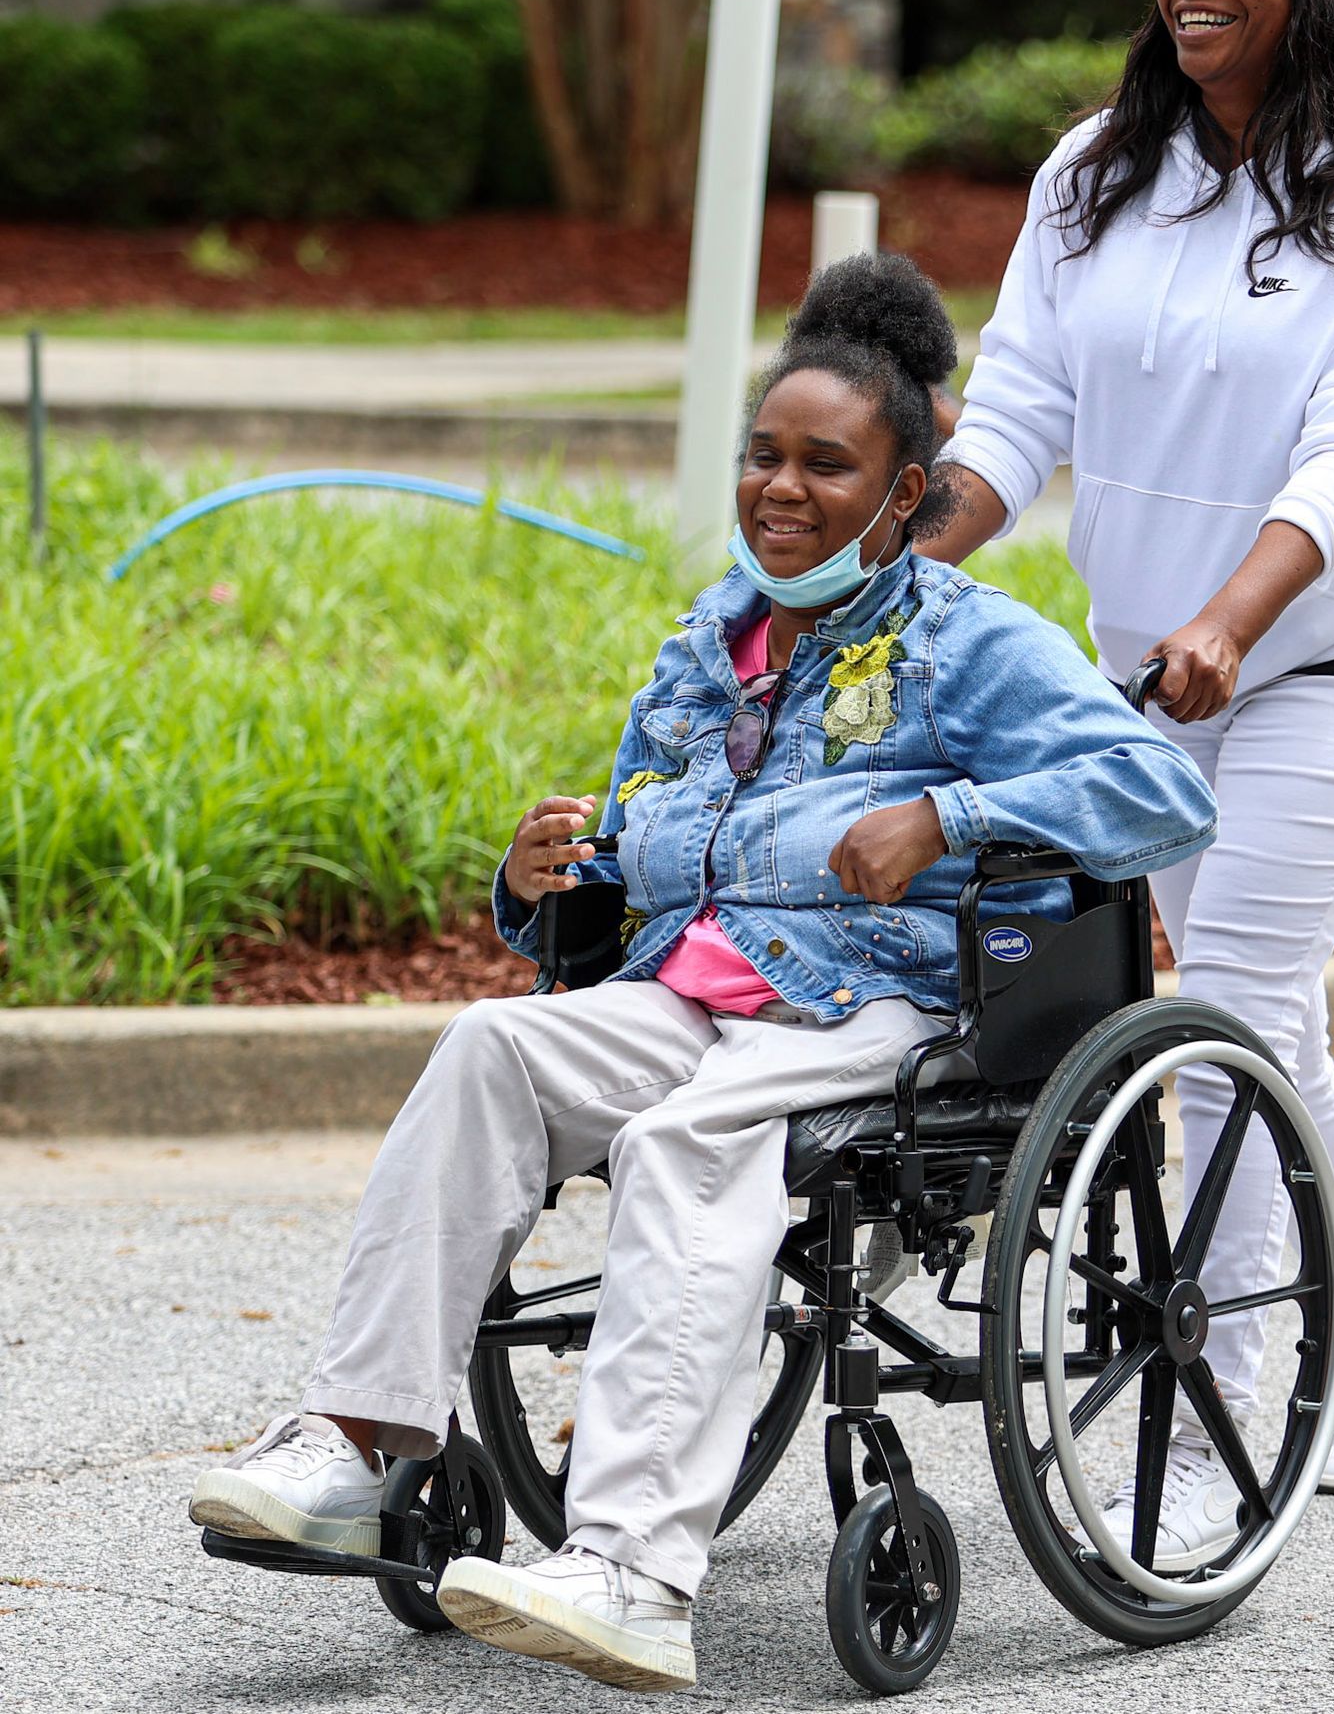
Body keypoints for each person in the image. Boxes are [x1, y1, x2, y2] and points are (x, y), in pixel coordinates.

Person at [187, 254, 1216, 1694]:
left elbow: (1163, 793)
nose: (782, 488)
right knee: (489, 1049)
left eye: (827, 465)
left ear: (905, 496)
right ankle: (361, 1440)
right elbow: (640, 840)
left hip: (886, 1004)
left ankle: (634, 1568)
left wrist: (948, 816)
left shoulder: (966, 640)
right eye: (764, 455)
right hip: (696, 991)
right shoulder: (704, 645)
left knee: (691, 1135)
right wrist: (545, 878)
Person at [921, 0, 1334, 1562]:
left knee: (1225, 1008)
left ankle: (1223, 1406)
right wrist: (898, 568)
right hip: (1152, 668)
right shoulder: (1097, 173)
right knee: (1264, 1021)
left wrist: (1237, 615)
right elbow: (1018, 402)